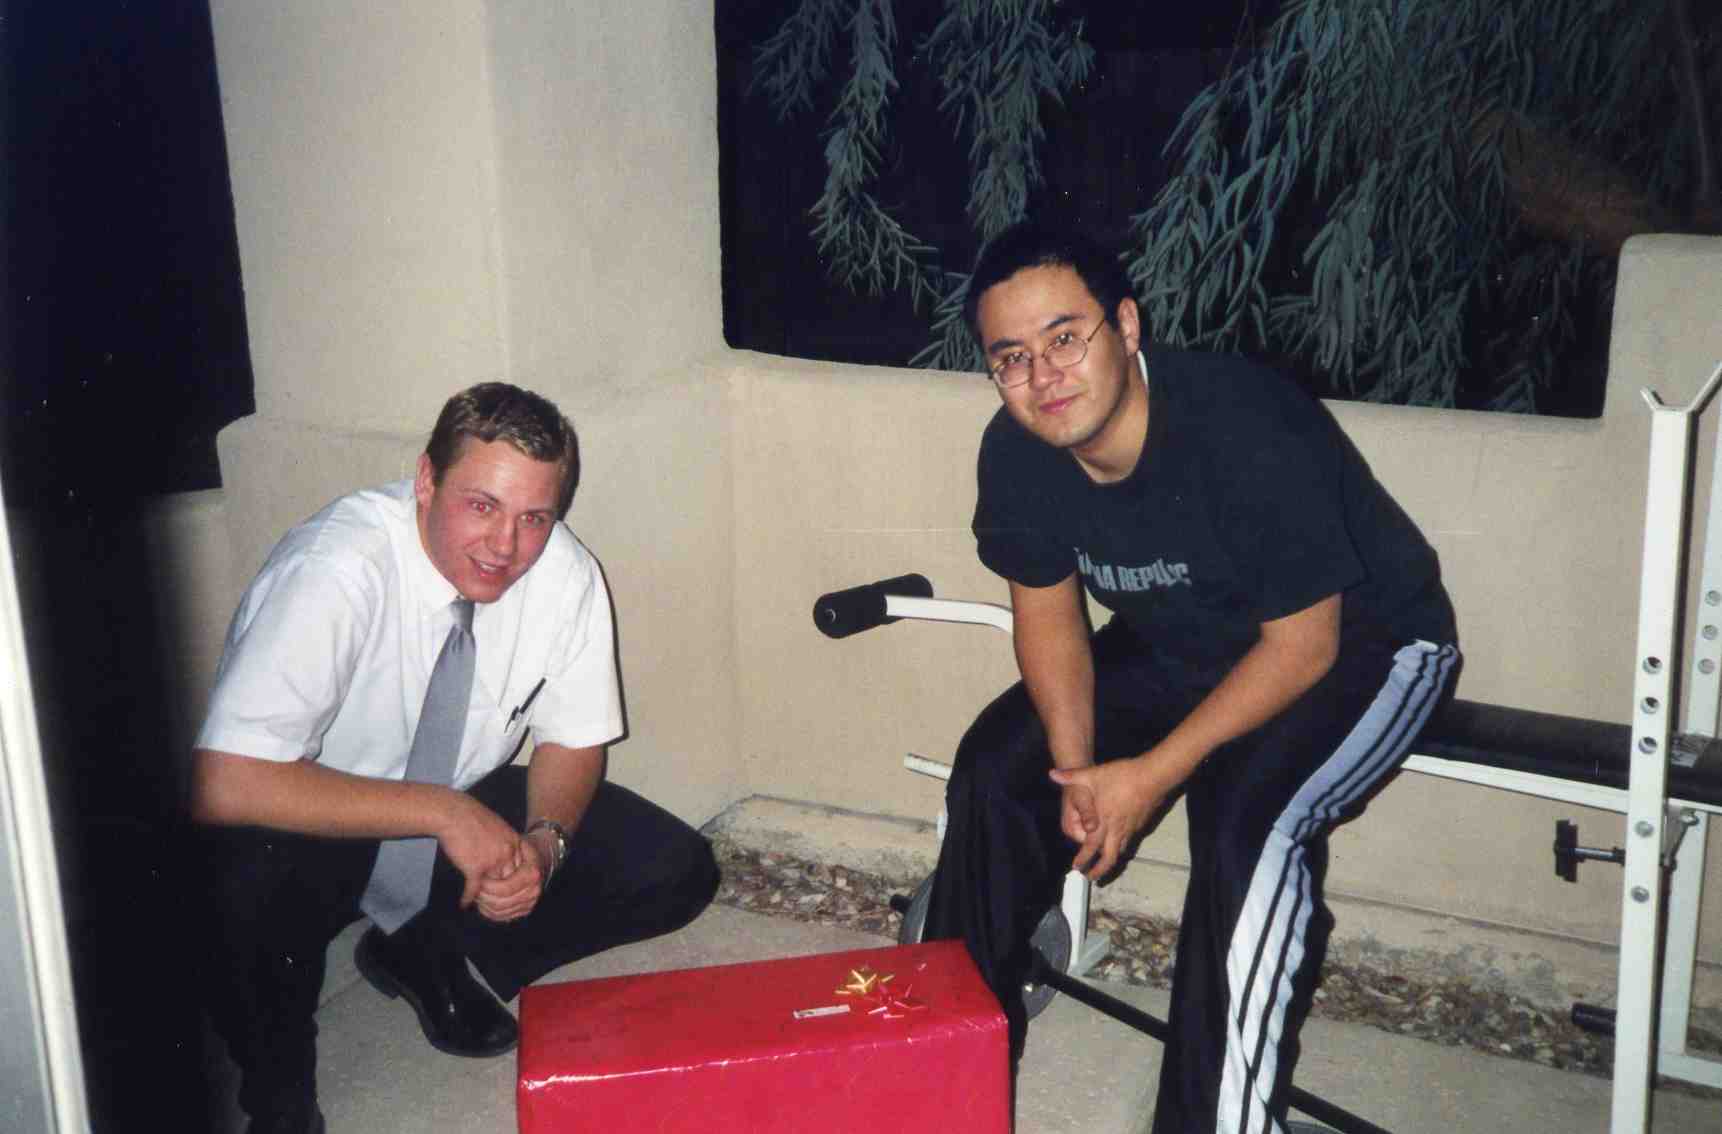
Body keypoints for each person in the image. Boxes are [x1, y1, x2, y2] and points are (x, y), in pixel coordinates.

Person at [921, 222, 1459, 1134]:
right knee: (998, 766)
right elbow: (1050, 620)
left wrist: (1149, 775)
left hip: (1363, 644)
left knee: (1248, 820)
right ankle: (936, 1086)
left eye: (1065, 337)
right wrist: (1079, 774)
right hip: (1181, 639)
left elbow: (1303, 648)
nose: (1043, 376)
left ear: (1127, 326)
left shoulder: (1243, 424)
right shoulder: (1016, 451)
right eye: (1011, 357)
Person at [191, 382, 719, 1134]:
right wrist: (444, 813)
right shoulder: (335, 569)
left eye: (534, 517)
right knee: (243, 876)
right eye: (481, 505)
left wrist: (543, 844)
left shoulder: (564, 574)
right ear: (426, 480)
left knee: (674, 869)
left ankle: (426, 947)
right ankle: (279, 1097)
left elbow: (572, 739)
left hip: (455, 805)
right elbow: (224, 783)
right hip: (316, 818)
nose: (506, 545)